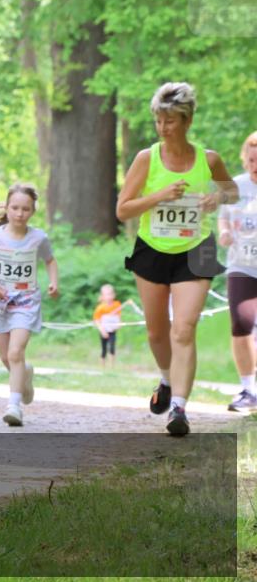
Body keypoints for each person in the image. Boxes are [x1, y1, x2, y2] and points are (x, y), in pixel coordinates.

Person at [116, 82, 236, 436]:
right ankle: (166, 379)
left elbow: (232, 189)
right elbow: (123, 209)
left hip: (196, 250)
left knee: (183, 329)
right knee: (157, 332)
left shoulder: (208, 159)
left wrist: (217, 198)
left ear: (187, 120)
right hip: (153, 250)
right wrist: (159, 195)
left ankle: (179, 409)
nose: (163, 128)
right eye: (159, 121)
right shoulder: (146, 159)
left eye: (170, 121)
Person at [0, 183, 58, 427]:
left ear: (33, 211)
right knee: (5, 356)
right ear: (7, 208)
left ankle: (14, 406)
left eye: (26, 209)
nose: (20, 213)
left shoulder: (39, 238)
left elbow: (50, 261)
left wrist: (53, 282)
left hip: (26, 302)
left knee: (15, 352)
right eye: (15, 208)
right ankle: (25, 377)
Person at [218, 130, 257, 411]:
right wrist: (224, 233)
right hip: (241, 265)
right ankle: (247, 390)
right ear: (245, 159)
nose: (256, 166)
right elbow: (223, 218)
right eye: (252, 160)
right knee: (240, 325)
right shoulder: (235, 186)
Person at [93, 284, 123, 370]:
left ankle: (112, 368)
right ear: (102, 296)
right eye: (106, 294)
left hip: (112, 331)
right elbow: (97, 320)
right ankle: (102, 368)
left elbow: (118, 316)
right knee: (104, 349)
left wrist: (119, 324)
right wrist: (102, 330)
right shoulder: (100, 308)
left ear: (113, 295)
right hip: (104, 331)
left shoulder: (117, 305)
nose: (108, 297)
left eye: (110, 294)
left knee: (112, 348)